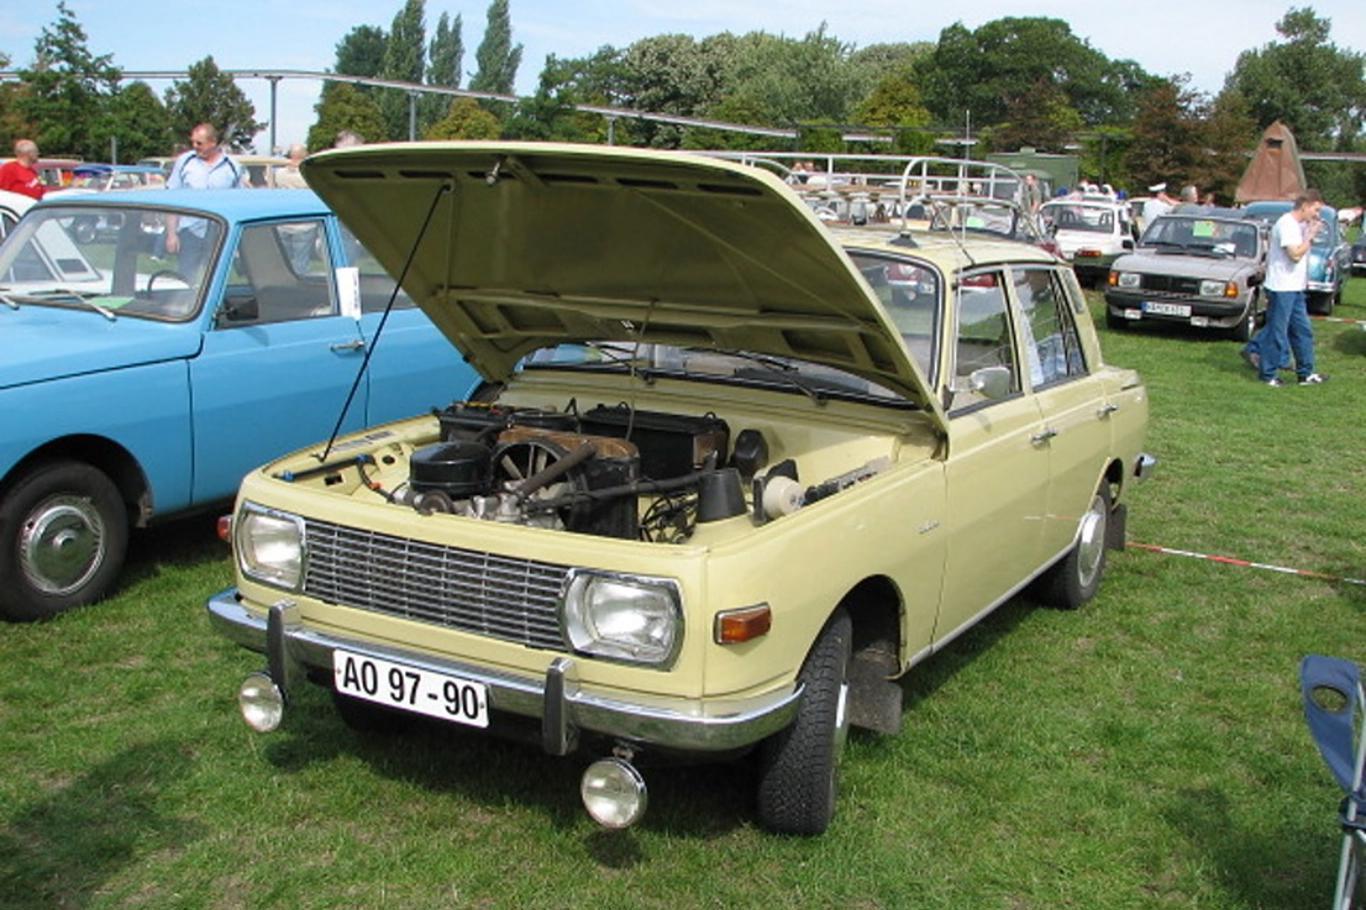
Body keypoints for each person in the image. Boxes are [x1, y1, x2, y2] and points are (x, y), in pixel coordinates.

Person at [1248, 190, 1328, 387]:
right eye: (1316, 210)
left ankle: (1305, 374)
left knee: (1303, 331)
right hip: (1281, 287)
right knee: (1277, 332)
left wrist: (1310, 231)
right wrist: (1310, 237)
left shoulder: (1300, 225)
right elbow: (1295, 255)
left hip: (1295, 287)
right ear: (1305, 206)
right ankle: (1268, 374)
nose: (1317, 215)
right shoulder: (1286, 224)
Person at [164, 123, 246, 277]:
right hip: (190, 232)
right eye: (193, 142)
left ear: (213, 142)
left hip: (220, 234)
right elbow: (172, 198)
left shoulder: (232, 166)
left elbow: (240, 202)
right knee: (185, 278)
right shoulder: (184, 162)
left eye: (199, 143)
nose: (194, 146)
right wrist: (171, 234)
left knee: (215, 277)